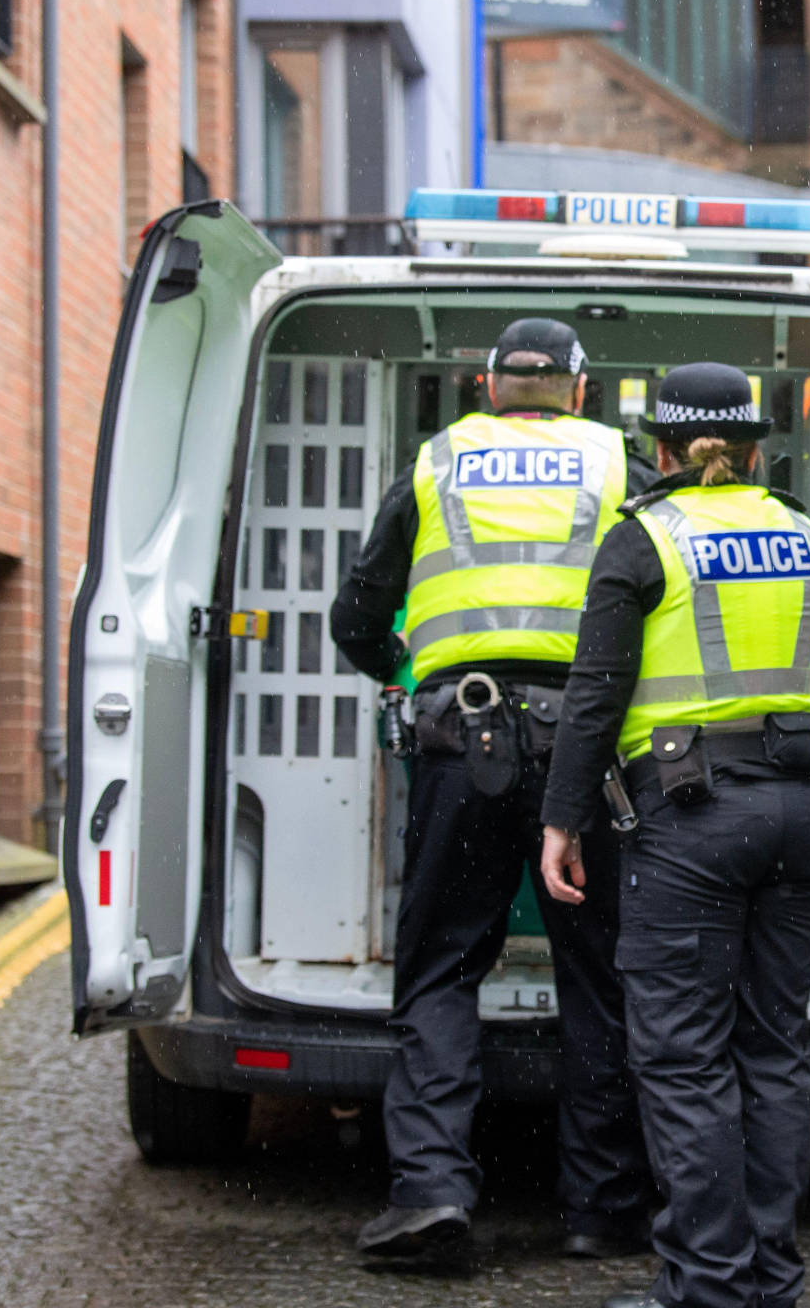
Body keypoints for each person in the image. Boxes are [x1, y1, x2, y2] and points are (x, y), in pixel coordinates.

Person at [536, 362, 810, 1308]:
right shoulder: (806, 537)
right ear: (758, 448)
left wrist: (562, 821)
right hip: (800, 815)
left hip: (691, 821)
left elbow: (594, 697)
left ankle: (709, 1286)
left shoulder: (641, 538)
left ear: (659, 449)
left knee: (685, 1061)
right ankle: (769, 1280)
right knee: (772, 1051)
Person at [330, 318, 654, 1261]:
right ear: (580, 391)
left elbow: (355, 613)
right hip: (582, 746)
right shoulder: (618, 465)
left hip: (458, 738)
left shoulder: (436, 464)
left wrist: (401, 670)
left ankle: (432, 1192)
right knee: (599, 973)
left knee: (441, 965)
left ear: (486, 386)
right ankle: (602, 1208)